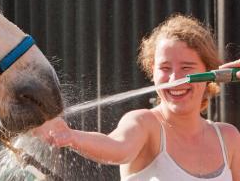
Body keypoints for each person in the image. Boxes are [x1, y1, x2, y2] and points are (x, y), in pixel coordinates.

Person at [33, 14, 240, 180]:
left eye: (187, 68)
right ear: (153, 71)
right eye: (165, 68)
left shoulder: (228, 137)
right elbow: (117, 147)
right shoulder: (145, 123)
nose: (176, 78)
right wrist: (71, 136)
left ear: (209, 71)